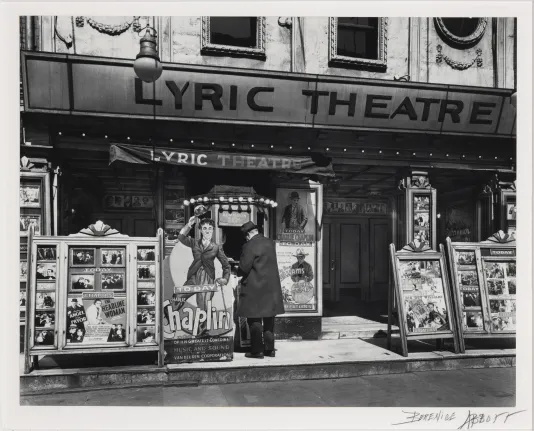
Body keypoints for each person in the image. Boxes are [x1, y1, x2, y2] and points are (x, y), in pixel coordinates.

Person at [237, 221, 285, 359]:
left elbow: (244, 268)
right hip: (271, 288)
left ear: (248, 234)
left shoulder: (249, 245)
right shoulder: (270, 243)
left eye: (246, 236)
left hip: (254, 287)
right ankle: (269, 350)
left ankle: (256, 351)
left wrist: (238, 270)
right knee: (269, 319)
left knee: (254, 319)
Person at [178, 216, 231, 337]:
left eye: (210, 228)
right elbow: (181, 237)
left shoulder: (216, 247)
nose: (207, 231)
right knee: (178, 297)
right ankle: (171, 321)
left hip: (207, 277)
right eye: (205, 228)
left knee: (204, 304)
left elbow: (226, 265)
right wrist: (189, 224)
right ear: (201, 230)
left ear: (213, 230)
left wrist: (225, 279)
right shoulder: (194, 242)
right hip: (194, 276)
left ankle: (203, 333)